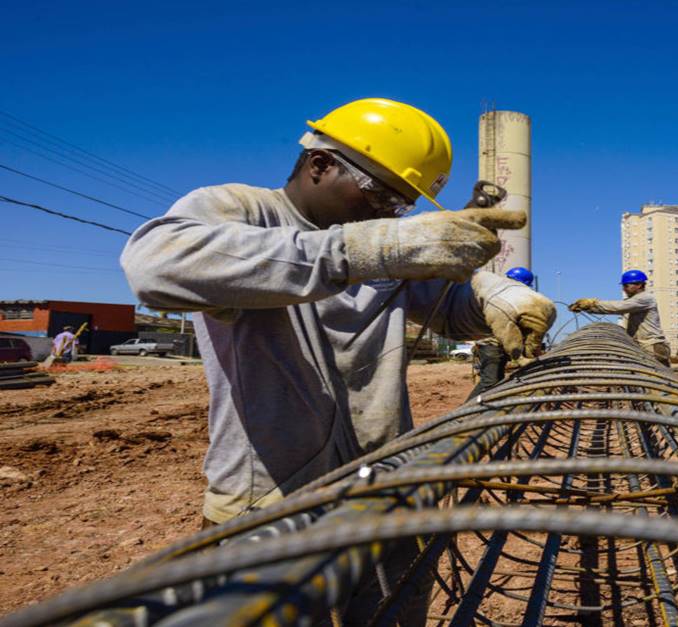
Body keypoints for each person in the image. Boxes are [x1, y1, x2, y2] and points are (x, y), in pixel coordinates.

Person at [121, 98, 556, 527]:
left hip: (380, 487)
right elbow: (155, 266)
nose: (387, 212)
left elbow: (452, 306)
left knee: (393, 598)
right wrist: (370, 249)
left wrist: (497, 296)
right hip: (268, 503)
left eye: (402, 205)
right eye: (381, 193)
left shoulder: (385, 250)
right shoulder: (243, 211)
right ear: (320, 164)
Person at [569, 270, 671, 366]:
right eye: (623, 286)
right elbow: (615, 307)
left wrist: (593, 304)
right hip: (644, 345)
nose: (624, 289)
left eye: (626, 285)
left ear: (639, 285)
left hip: (652, 346)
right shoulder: (635, 300)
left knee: (655, 378)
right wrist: (587, 308)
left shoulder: (644, 298)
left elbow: (618, 307)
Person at [466, 266, 538, 400]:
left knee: (497, 380)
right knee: (490, 382)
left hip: (493, 344)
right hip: (491, 345)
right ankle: (463, 415)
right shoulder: (506, 297)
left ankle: (481, 411)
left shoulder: (498, 293)